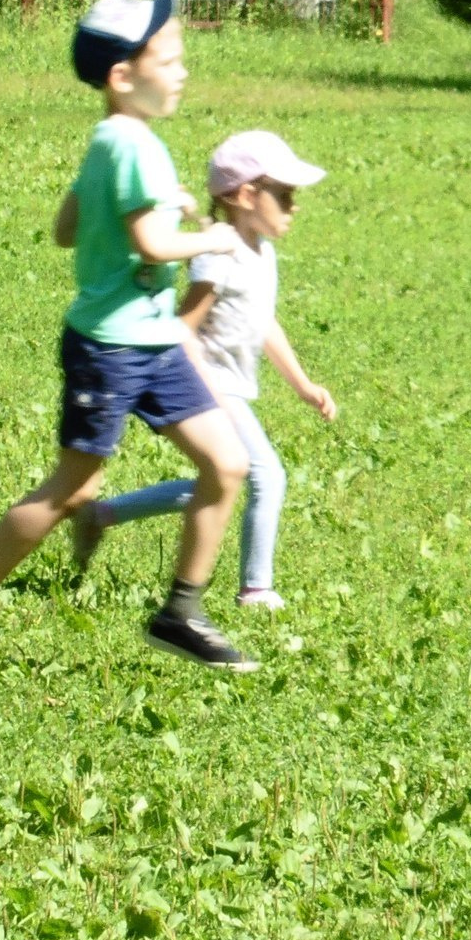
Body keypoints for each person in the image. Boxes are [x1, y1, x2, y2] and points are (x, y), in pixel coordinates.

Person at [0, 0, 262, 676]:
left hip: (154, 341)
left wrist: (158, 204)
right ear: (122, 77)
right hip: (111, 348)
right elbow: (151, 243)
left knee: (227, 465)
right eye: (170, 59)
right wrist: (209, 234)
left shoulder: (111, 141)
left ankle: (181, 614)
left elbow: (67, 228)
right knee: (70, 488)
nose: (183, 71)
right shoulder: (135, 145)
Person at [70, 131, 336, 609]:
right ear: (244, 196)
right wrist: (209, 387)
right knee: (268, 476)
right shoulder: (218, 254)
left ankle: (102, 515)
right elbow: (183, 328)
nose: (294, 206)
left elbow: (263, 321)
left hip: (228, 384)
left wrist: (303, 384)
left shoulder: (261, 249)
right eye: (285, 195)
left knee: (220, 480)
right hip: (211, 383)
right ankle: (256, 588)